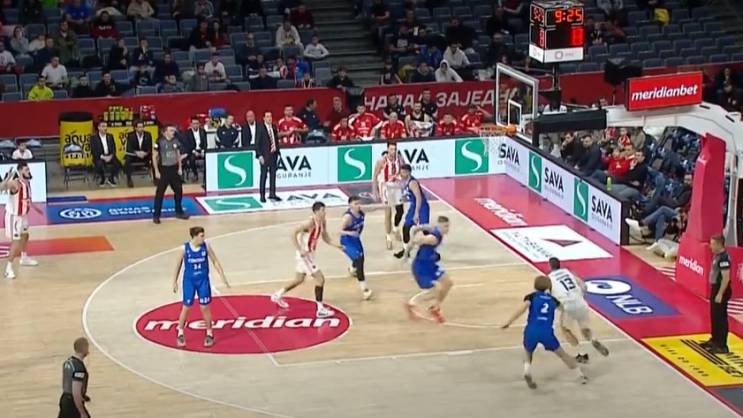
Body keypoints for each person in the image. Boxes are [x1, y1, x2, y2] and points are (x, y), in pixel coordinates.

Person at [502, 275, 588, 389]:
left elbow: (521, 310)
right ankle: (580, 375)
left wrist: (509, 322)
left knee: (528, 352)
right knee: (562, 354)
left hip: (531, 330)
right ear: (549, 287)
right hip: (547, 332)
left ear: (535, 286)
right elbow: (564, 309)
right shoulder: (553, 300)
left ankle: (527, 371)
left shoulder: (532, 297)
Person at [271, 202, 344, 318]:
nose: (324, 212)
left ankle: (277, 295)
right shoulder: (310, 223)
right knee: (320, 279)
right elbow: (293, 233)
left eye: (324, 210)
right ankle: (320, 309)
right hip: (305, 255)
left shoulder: (323, 222)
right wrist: (300, 249)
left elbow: (325, 237)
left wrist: (337, 245)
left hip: (310, 254)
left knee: (299, 279)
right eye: (322, 210)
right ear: (316, 211)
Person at [172, 226, 229, 348]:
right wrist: (174, 281)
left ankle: (209, 334)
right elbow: (178, 265)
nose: (203, 238)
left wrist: (222, 275)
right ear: (195, 237)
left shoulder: (206, 245)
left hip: (203, 281)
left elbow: (215, 261)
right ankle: (180, 333)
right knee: (186, 307)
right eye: (201, 236)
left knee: (205, 308)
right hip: (189, 281)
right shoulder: (185, 248)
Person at [547, 257, 610, 363]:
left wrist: (558, 307)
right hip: (581, 303)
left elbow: (549, 297)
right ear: (559, 265)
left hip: (567, 305)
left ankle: (582, 354)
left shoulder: (549, 278)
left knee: (565, 330)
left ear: (550, 266)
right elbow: (584, 286)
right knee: (584, 328)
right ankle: (593, 339)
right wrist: (579, 296)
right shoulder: (568, 272)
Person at [405, 216, 453, 323]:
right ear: (440, 226)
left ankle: (435, 308)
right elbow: (419, 240)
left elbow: (416, 228)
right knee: (433, 291)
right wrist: (409, 247)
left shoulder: (435, 230)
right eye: (445, 226)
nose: (447, 229)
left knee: (448, 283)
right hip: (421, 267)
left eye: (448, 226)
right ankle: (411, 303)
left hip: (430, 264)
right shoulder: (433, 238)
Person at [2, 162, 38, 280]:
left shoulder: (27, 183)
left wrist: (35, 207)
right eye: (26, 170)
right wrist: (7, 179)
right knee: (16, 242)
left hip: (23, 216)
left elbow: (26, 199)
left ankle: (24, 258)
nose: (28, 172)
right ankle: (8, 268)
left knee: (25, 235)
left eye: (28, 169)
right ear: (20, 171)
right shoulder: (15, 183)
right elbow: (1, 187)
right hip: (14, 216)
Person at [152, 125, 190, 224]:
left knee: (179, 191)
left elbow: (178, 154)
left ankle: (179, 212)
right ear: (165, 132)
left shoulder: (176, 141)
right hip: (163, 169)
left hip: (174, 169)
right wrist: (156, 171)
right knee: (160, 193)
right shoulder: (159, 142)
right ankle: (156, 215)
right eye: (171, 130)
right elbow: (154, 157)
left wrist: (180, 168)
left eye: (174, 130)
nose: (173, 132)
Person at [340, 196, 374, 300]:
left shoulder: (361, 213)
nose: (358, 206)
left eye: (359, 203)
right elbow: (339, 231)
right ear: (350, 205)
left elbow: (373, 208)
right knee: (359, 261)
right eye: (355, 204)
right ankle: (365, 289)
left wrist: (388, 206)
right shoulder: (348, 217)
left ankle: (352, 268)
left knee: (361, 258)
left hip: (356, 240)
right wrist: (350, 233)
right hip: (347, 241)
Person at [373, 143, 405, 251]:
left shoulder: (400, 159)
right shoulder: (382, 161)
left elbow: (404, 172)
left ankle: (395, 228)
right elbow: (375, 175)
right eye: (391, 149)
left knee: (400, 210)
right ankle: (388, 237)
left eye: (395, 149)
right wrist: (374, 190)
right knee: (388, 212)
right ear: (387, 149)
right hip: (385, 186)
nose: (393, 151)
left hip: (396, 185)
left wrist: (403, 182)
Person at [703, 235, 732, 354]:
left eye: (713, 244)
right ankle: (714, 339)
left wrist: (720, 293)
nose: (710, 246)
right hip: (715, 288)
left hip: (721, 289)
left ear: (719, 244)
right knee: (714, 315)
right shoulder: (717, 255)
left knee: (720, 317)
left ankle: (722, 345)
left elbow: (726, 278)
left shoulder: (724, 258)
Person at [395, 164, 430, 259]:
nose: (401, 174)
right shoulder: (405, 181)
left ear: (408, 173)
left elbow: (419, 198)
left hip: (422, 206)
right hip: (414, 205)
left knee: (425, 230)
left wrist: (416, 213)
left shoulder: (412, 183)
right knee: (406, 227)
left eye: (403, 172)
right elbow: (409, 194)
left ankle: (432, 251)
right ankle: (405, 250)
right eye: (401, 172)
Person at [58, 337, 91, 418]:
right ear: (84, 348)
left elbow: (68, 382)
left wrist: (83, 396)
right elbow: (76, 392)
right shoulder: (79, 368)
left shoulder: (68, 362)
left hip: (65, 399)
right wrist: (82, 412)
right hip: (73, 404)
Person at [256, 111, 281, 202]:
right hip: (264, 155)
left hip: (273, 154)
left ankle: (272, 193)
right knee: (264, 175)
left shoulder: (273, 127)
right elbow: (257, 143)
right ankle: (262, 195)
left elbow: (276, 140)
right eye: (267, 117)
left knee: (273, 175)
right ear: (264, 118)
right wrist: (259, 155)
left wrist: (277, 150)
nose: (269, 118)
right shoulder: (260, 128)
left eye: (270, 116)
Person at [90, 121, 122, 186]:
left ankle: (111, 178)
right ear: (99, 127)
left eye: (106, 126)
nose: (105, 128)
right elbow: (93, 151)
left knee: (119, 164)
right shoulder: (93, 138)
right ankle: (103, 178)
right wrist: (103, 157)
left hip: (109, 156)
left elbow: (114, 148)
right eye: (103, 126)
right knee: (99, 165)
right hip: (99, 157)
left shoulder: (110, 136)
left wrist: (111, 156)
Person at [124, 120, 153, 188]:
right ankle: (129, 179)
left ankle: (155, 177)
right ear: (135, 128)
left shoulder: (148, 134)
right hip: (134, 154)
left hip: (145, 154)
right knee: (127, 160)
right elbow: (129, 148)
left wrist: (145, 153)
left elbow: (149, 147)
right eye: (139, 127)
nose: (141, 129)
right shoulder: (130, 135)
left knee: (154, 158)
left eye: (142, 127)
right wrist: (137, 153)